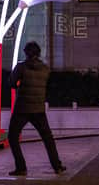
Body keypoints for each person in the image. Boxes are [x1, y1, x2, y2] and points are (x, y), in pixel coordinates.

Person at [7, 41, 65, 176]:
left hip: (22, 109)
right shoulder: (45, 69)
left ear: (26, 53)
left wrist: (19, 85)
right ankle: (57, 166)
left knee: (13, 137)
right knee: (48, 138)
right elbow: (48, 87)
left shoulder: (21, 67)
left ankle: (21, 167)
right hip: (39, 109)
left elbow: (11, 83)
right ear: (38, 53)